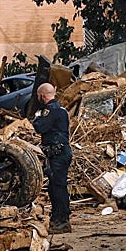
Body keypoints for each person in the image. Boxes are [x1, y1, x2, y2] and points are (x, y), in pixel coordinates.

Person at [31, 82, 72, 234]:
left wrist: (36, 117)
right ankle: (59, 218)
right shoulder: (61, 109)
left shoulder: (50, 110)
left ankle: (62, 221)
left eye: (38, 96)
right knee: (57, 187)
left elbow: (40, 127)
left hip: (58, 154)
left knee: (58, 188)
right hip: (60, 152)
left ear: (42, 96)